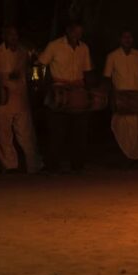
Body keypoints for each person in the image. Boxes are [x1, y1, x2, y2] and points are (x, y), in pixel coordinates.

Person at [37, 22, 93, 173]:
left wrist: (89, 93)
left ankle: (78, 165)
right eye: (76, 32)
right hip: (59, 92)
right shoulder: (54, 46)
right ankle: (53, 165)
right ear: (68, 31)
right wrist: (43, 86)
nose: (78, 36)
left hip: (78, 92)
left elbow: (87, 71)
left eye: (80, 33)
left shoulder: (84, 48)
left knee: (79, 131)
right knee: (57, 130)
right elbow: (40, 64)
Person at [0, 26, 43, 174]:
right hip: (3, 99)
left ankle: (34, 165)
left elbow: (30, 69)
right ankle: (10, 166)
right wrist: (4, 79)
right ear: (4, 36)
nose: (13, 37)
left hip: (21, 97)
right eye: (10, 34)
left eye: (15, 34)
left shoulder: (23, 52)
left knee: (26, 133)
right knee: (4, 134)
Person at [104, 30, 138, 163]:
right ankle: (126, 156)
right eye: (125, 37)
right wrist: (111, 97)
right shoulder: (112, 56)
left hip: (137, 98)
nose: (128, 40)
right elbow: (107, 78)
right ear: (120, 39)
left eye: (130, 37)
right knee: (122, 127)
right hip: (121, 98)